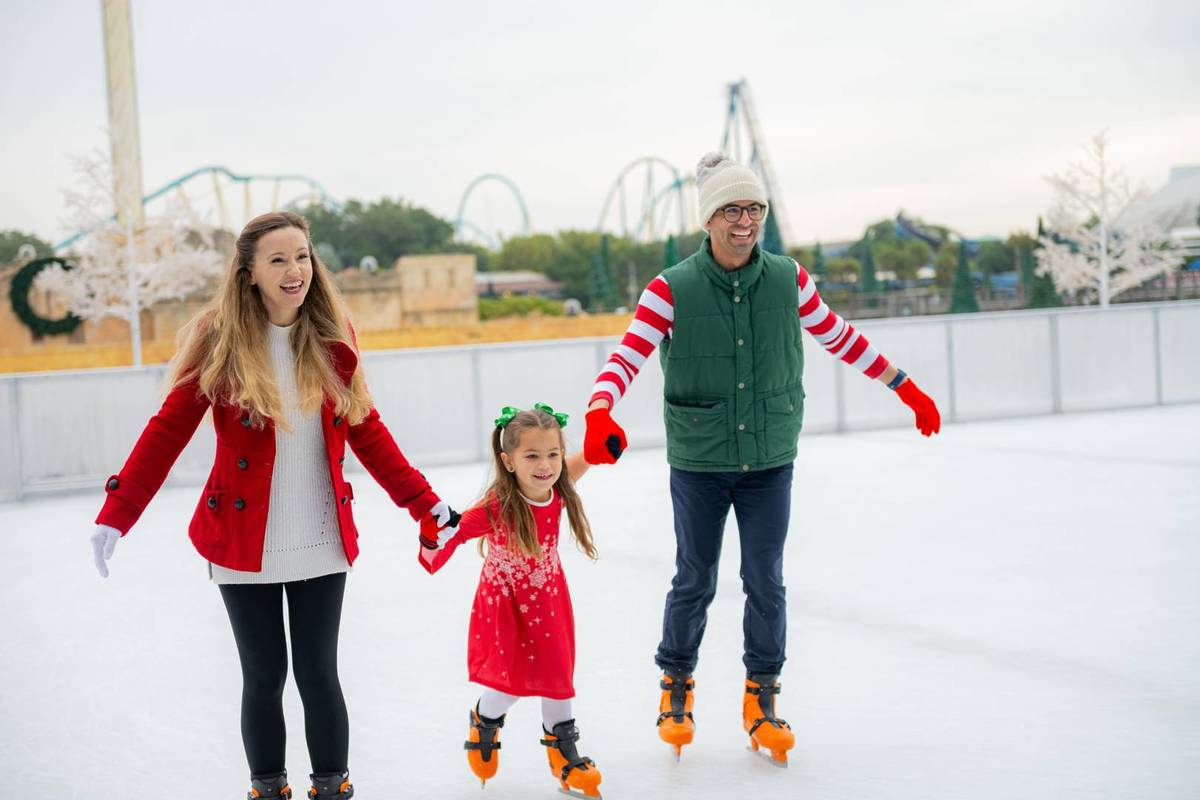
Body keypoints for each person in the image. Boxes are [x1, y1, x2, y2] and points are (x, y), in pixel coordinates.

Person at [581, 153, 942, 766]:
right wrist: (598, 412)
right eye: (731, 209)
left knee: (765, 580)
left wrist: (901, 383)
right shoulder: (670, 288)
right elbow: (626, 357)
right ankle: (676, 687)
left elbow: (840, 336)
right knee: (695, 577)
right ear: (708, 219)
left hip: (770, 458)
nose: (745, 220)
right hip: (699, 459)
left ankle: (762, 698)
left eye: (754, 209)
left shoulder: (789, 279)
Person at [89, 211, 460, 800]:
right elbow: (168, 429)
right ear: (249, 273)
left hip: (320, 535)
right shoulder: (219, 338)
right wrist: (119, 511)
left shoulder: (334, 334)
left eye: (303, 257)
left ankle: (332, 787)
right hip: (241, 540)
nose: (295, 271)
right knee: (263, 677)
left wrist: (422, 502)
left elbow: (366, 427)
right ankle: (267, 788)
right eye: (279, 259)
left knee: (318, 674)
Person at [419, 404, 603, 799]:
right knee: (511, 682)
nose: (546, 465)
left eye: (552, 454)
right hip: (508, 606)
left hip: (549, 602)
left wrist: (594, 449)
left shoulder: (559, 487)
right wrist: (437, 531)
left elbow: (575, 466)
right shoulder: (499, 504)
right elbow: (457, 532)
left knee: (558, 676)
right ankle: (485, 720)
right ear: (508, 461)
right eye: (532, 456)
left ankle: (564, 754)